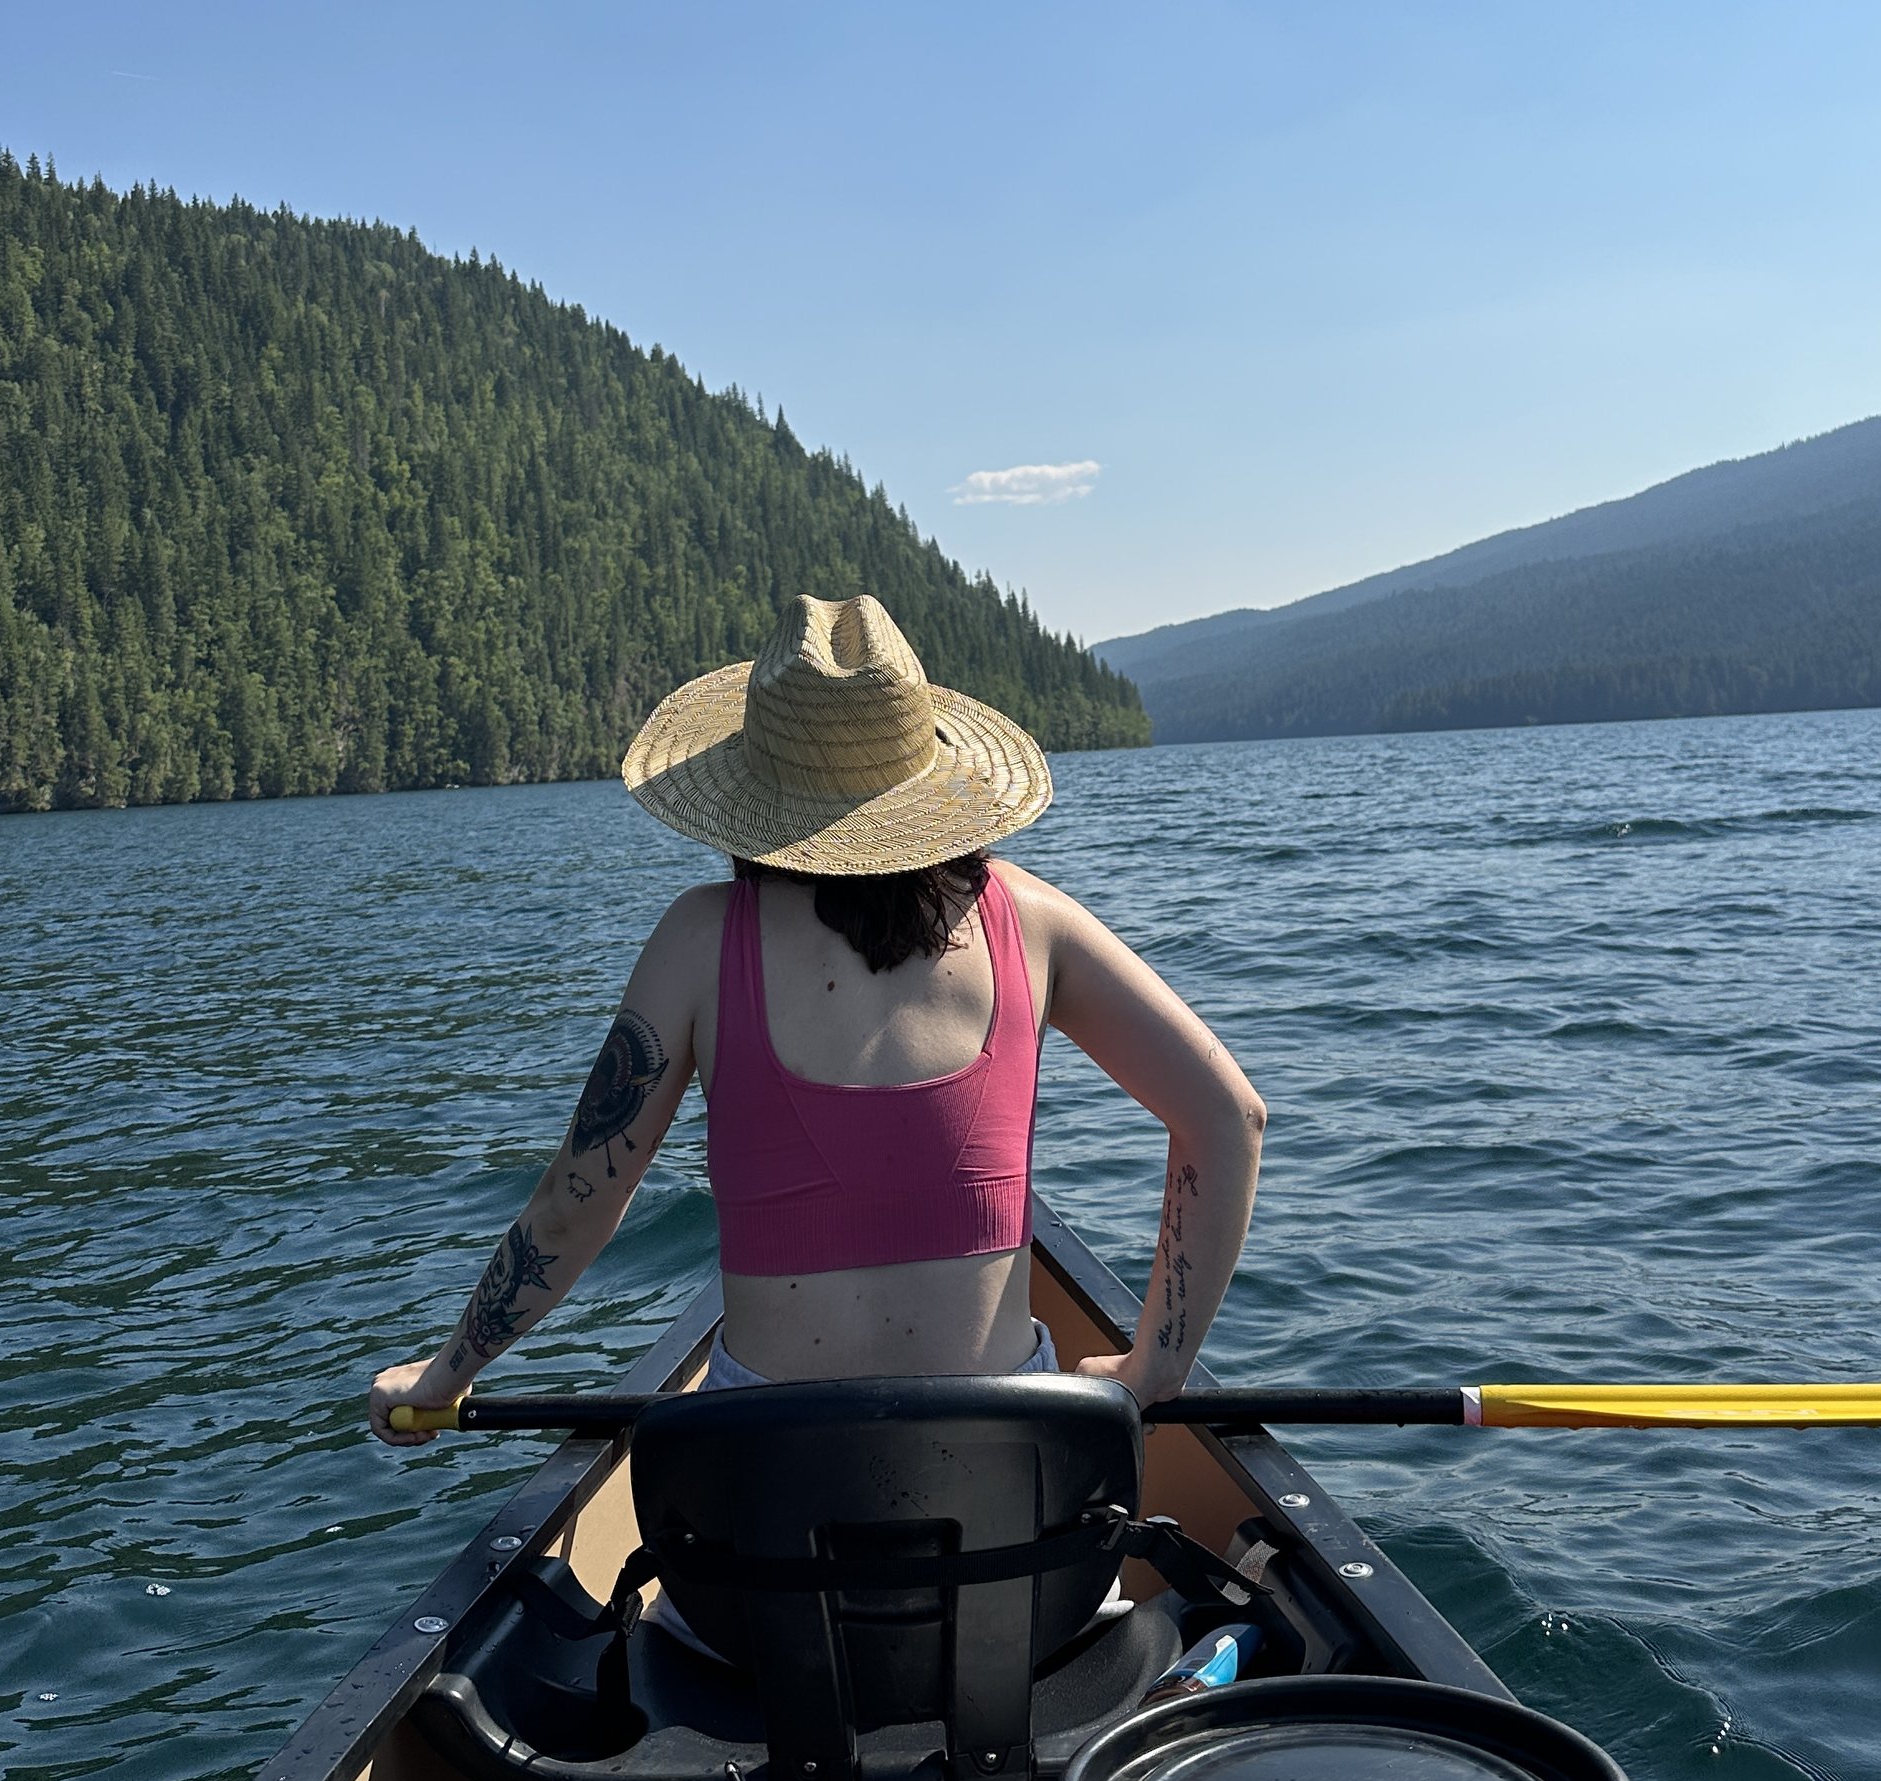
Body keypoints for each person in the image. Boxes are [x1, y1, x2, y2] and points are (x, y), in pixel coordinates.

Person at [368, 593, 1264, 1445]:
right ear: (930, 777)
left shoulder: (698, 940)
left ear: (752, 793)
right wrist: (1155, 1365)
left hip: (773, 1491)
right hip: (1005, 1480)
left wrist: (444, 1375)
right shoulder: (1032, 921)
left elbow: (576, 1205)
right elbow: (1229, 1116)